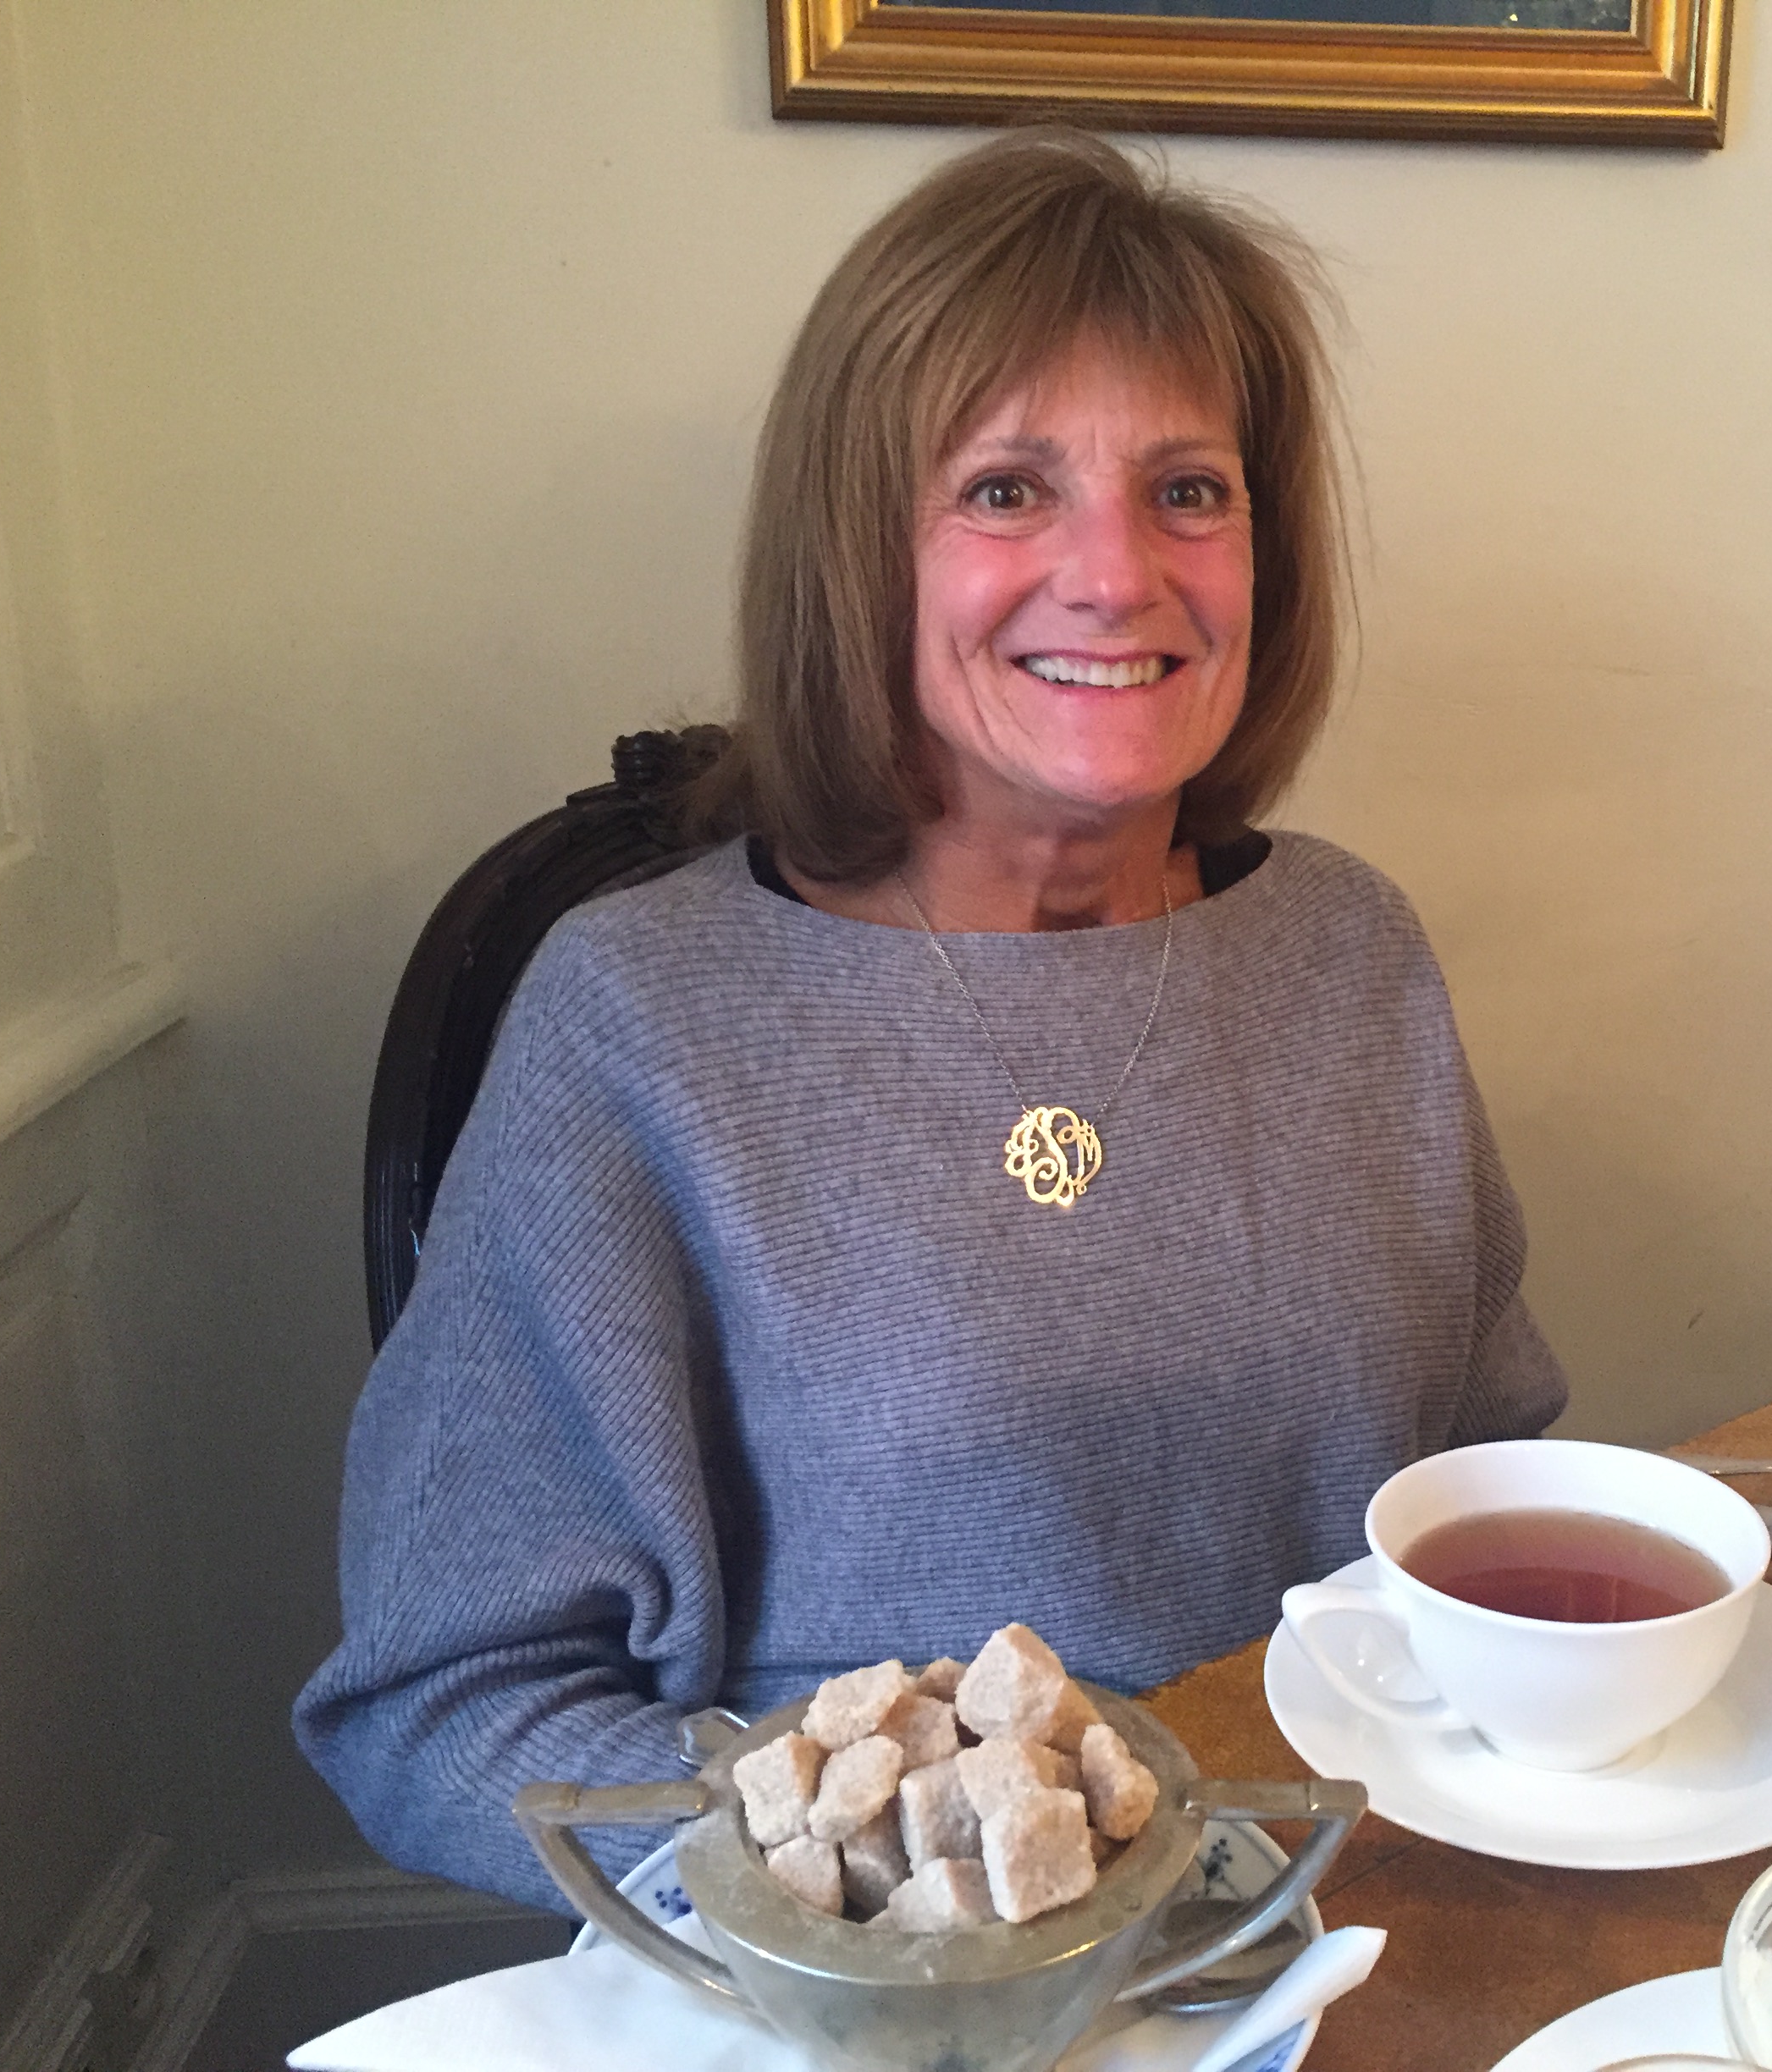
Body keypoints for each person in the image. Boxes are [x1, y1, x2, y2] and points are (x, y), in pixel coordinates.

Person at [294, 129, 1568, 1910]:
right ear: (856, 554)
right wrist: (897, 1901)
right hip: (879, 1987)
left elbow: (1479, 1505)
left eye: (1189, 490)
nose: (1116, 573)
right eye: (1007, 489)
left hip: (1345, 1927)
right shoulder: (638, 1017)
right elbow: (439, 1704)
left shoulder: (1350, 949)